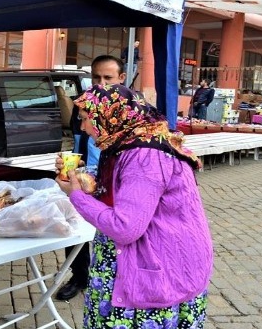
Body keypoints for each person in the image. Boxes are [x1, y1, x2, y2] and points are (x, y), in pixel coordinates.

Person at [56, 83, 213, 328]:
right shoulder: (133, 142)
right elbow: (127, 193)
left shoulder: (144, 156)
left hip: (153, 273)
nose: (84, 128)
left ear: (111, 116)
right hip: (153, 264)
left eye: (87, 119)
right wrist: (86, 183)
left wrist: (77, 196)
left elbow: (125, 227)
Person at [56, 54, 125, 301]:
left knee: (110, 236)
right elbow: (81, 142)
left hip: (115, 191)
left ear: (122, 79)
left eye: (108, 77)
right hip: (89, 181)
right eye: (96, 77)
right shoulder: (85, 105)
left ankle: (114, 281)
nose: (101, 82)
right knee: (74, 223)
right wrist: (75, 166)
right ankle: (79, 276)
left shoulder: (127, 113)